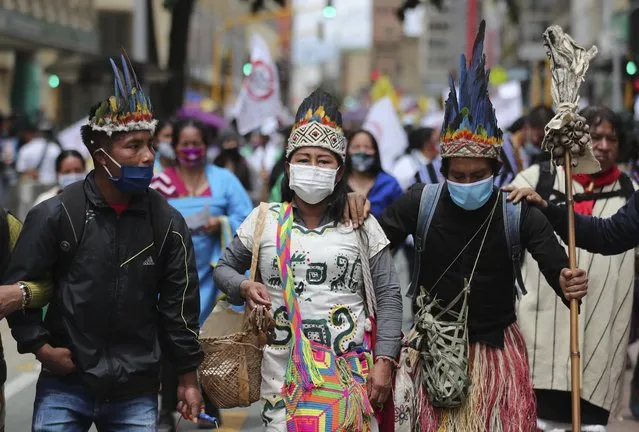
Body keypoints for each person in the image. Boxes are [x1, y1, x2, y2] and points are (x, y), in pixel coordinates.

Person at [344, 21, 589, 431]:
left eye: (478, 174)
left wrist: (569, 282)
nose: (467, 182)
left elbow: (557, 268)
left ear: (495, 171)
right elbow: (364, 246)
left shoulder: (517, 210)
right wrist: (348, 202)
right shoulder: (418, 203)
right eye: (457, 174)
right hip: (431, 359)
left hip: (498, 361)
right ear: (443, 171)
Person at [3, 53, 203, 431]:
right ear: (101, 156)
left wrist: (188, 380)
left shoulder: (167, 223)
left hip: (137, 391)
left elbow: (179, 311)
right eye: (133, 146)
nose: (147, 156)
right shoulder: (55, 214)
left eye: (150, 145)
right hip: (64, 384)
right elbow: (18, 290)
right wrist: (42, 349)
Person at [214, 89, 403, 431]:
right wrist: (243, 285)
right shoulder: (263, 219)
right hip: (281, 384)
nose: (312, 168)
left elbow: (389, 296)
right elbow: (224, 269)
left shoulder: (361, 223)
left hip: (349, 380)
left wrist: (385, 361)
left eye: (323, 160)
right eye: (303, 159)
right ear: (287, 167)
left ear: (339, 170)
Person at [508, 106, 636, 430]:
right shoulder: (537, 180)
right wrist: (547, 208)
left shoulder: (629, 190)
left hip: (600, 344)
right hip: (541, 343)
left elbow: (609, 237)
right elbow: (605, 235)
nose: (604, 146)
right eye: (596, 136)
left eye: (612, 138)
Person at [346, 130, 403, 219]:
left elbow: (400, 218)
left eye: (367, 147)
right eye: (356, 147)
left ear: (375, 152)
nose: (362, 151)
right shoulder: (337, 182)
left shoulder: (390, 184)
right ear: (347, 151)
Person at [15, 119, 61, 185]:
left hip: (33, 187)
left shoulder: (25, 149)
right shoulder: (54, 148)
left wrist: (30, 172)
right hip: (52, 185)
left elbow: (20, 169)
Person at [213, 128, 252, 192]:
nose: (231, 145)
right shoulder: (217, 162)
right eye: (228, 141)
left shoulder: (242, 161)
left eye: (233, 141)